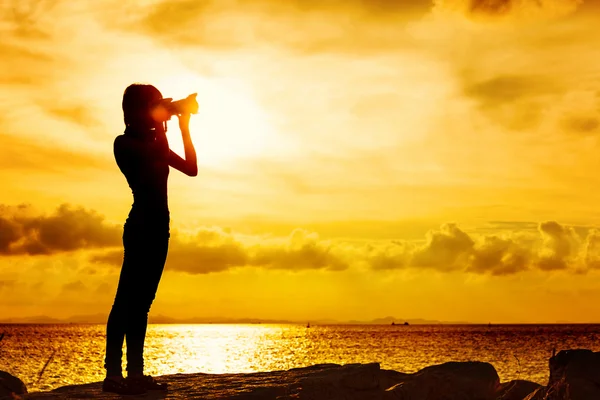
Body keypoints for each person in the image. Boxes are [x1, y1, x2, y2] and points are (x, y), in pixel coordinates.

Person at [103, 84, 198, 395]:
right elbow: (149, 163)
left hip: (160, 229)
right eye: (153, 105)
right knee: (125, 302)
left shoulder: (156, 142)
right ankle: (113, 375)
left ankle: (135, 374)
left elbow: (191, 169)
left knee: (142, 305)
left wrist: (182, 127)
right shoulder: (125, 144)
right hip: (141, 226)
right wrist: (163, 122)